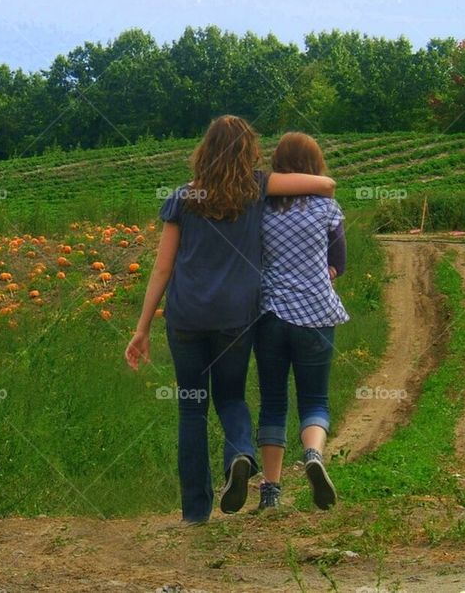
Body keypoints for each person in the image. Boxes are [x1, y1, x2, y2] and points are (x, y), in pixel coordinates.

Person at [125, 115, 336, 524]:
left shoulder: (183, 197)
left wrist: (142, 327)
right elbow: (325, 185)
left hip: (186, 316)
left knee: (191, 408)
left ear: (203, 151)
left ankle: (195, 513)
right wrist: (272, 177)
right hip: (235, 319)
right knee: (231, 397)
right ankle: (239, 453)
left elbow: (162, 269)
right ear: (249, 151)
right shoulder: (256, 189)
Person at [253, 132, 349, 511]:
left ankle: (271, 491)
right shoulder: (327, 209)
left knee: (273, 400)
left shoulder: (260, 208)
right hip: (316, 314)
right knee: (315, 398)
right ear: (314, 165)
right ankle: (312, 455)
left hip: (270, 315)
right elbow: (338, 264)